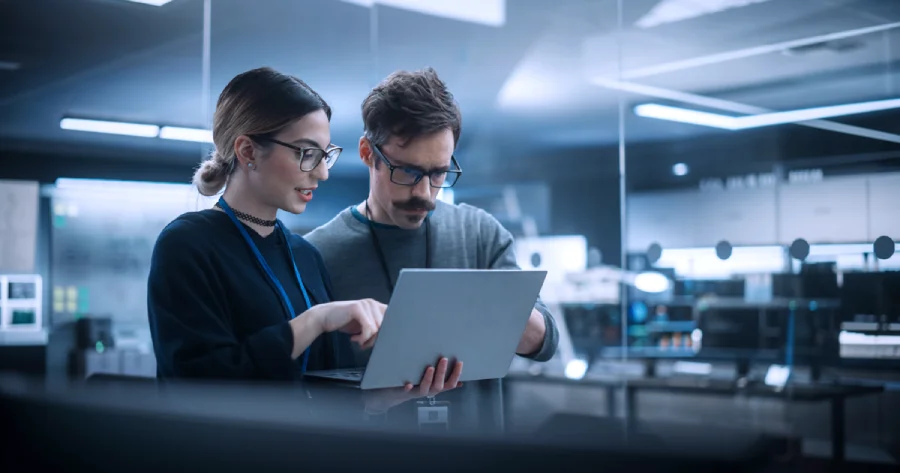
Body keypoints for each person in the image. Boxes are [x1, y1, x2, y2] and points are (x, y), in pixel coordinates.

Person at [147, 67, 461, 412]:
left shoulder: (304, 256)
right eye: (306, 153)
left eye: (324, 155)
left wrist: (380, 398)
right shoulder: (187, 244)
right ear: (248, 151)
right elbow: (198, 384)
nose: (322, 172)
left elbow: (325, 394)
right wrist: (315, 321)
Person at [304, 68, 560, 425]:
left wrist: (486, 306)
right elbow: (305, 395)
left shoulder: (480, 233)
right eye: (407, 172)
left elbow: (545, 343)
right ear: (367, 153)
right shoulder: (315, 254)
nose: (424, 193)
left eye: (438, 173)